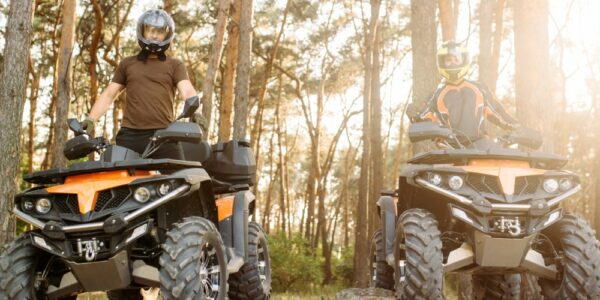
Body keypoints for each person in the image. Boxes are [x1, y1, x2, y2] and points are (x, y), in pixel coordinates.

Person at [81, 9, 198, 159]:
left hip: (165, 136)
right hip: (130, 136)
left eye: (160, 31)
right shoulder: (127, 64)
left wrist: (197, 112)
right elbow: (109, 95)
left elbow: (187, 91)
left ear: (167, 35)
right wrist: (90, 119)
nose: (154, 35)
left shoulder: (175, 65)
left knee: (182, 177)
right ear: (142, 31)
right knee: (119, 181)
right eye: (150, 30)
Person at [410, 40, 520, 144]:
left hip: (481, 145)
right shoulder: (437, 94)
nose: (453, 63)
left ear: (464, 60)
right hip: (452, 148)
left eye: (456, 59)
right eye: (448, 60)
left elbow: (497, 111)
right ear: (442, 63)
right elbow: (424, 117)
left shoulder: (479, 88)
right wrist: (414, 116)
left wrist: (516, 126)